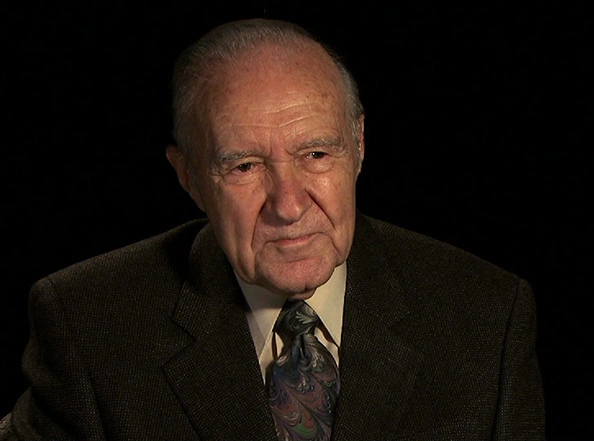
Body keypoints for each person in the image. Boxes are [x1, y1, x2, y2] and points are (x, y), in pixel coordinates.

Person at [1, 18, 544, 440]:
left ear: (358, 146)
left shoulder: (485, 316)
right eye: (244, 166)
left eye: (315, 153)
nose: (287, 205)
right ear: (189, 177)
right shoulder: (87, 323)